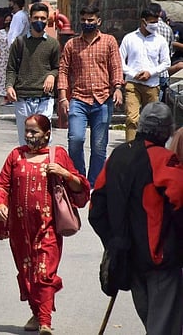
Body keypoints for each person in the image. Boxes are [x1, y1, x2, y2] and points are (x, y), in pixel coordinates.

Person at [0, 114, 90, 335]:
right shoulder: (16, 156)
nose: (29, 136)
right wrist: (0, 204)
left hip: (48, 227)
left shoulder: (57, 155)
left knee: (44, 272)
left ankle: (45, 321)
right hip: (19, 229)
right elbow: (1, 185)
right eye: (27, 131)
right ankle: (36, 310)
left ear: (47, 134)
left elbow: (81, 188)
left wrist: (65, 173)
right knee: (26, 273)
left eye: (34, 132)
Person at [90, 102, 183, 335]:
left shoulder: (119, 154)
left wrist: (115, 241)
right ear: (167, 131)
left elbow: (96, 209)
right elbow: (180, 201)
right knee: (163, 328)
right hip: (160, 258)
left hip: (128, 258)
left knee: (152, 323)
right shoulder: (164, 159)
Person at [57, 5, 124, 185]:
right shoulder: (72, 44)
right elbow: (63, 71)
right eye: (84, 20)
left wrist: (117, 87)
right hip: (78, 99)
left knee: (99, 145)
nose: (87, 23)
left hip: (102, 100)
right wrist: (63, 97)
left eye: (91, 20)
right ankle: (79, 179)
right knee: (75, 140)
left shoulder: (109, 41)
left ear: (98, 21)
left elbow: (116, 66)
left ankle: (95, 182)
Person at [5, 3, 61, 146]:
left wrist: (51, 75)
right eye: (36, 17)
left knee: (44, 138)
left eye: (43, 18)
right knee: (25, 139)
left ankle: (42, 167)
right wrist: (9, 86)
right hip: (23, 97)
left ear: (47, 19)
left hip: (44, 97)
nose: (39, 21)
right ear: (30, 19)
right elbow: (11, 68)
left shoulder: (53, 44)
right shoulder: (19, 42)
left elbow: (57, 67)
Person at [119, 8, 170, 142]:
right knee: (132, 118)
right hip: (133, 84)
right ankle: (131, 149)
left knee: (153, 121)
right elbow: (119, 61)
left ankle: (151, 149)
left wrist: (151, 72)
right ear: (143, 21)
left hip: (152, 85)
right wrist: (133, 74)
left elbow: (166, 62)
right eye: (152, 22)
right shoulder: (129, 38)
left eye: (157, 21)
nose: (155, 25)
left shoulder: (160, 40)